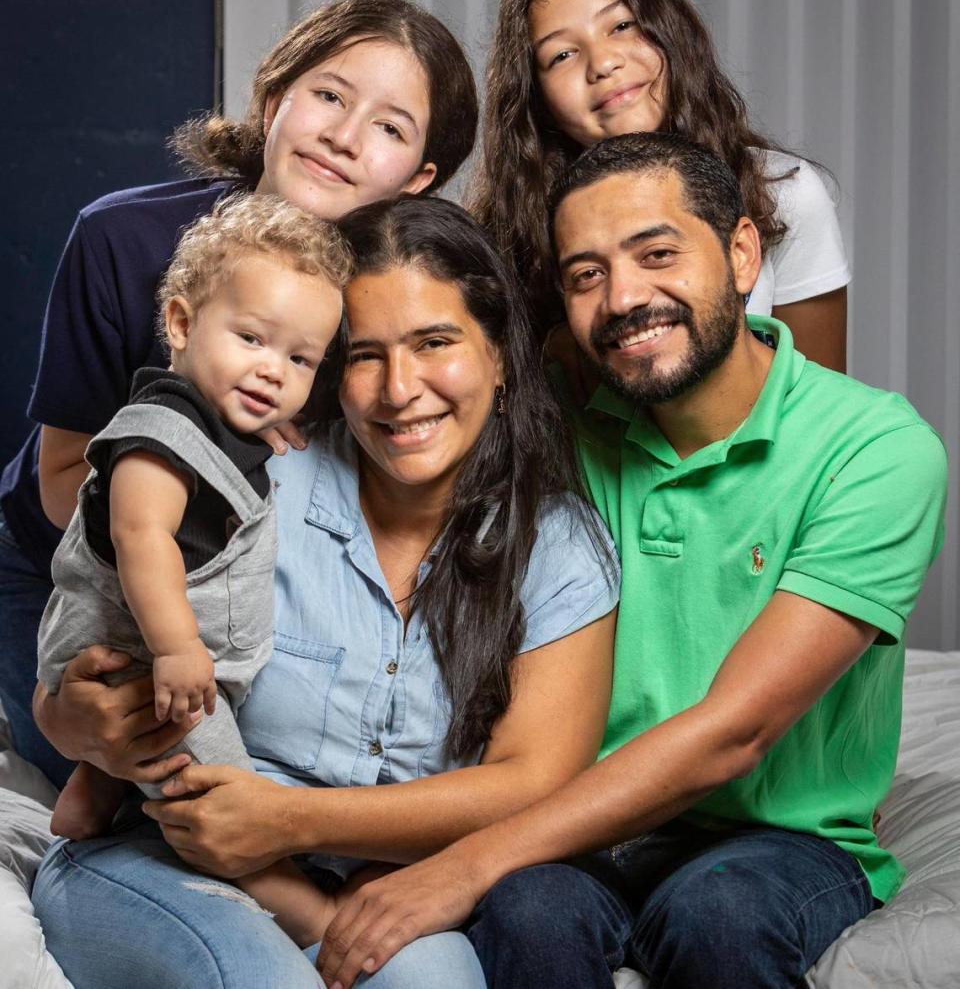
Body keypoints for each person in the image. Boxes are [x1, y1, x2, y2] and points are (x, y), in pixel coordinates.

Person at [313, 134, 947, 989]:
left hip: (778, 841)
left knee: (718, 913)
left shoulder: (874, 447)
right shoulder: (554, 437)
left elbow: (737, 733)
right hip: (575, 828)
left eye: (657, 254)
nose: (625, 298)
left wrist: (463, 863)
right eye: (585, 275)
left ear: (743, 251)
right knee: (528, 914)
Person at [30, 195, 619, 989]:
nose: (399, 388)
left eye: (435, 342)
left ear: (501, 359)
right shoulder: (248, 482)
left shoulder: (558, 544)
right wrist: (80, 723)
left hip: (365, 885)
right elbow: (83, 651)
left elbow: (534, 782)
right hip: (157, 853)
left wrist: (287, 822)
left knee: (439, 982)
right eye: (366, 354)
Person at [0, 0, 478, 789]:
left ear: (420, 178)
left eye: (390, 127)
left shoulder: (393, 300)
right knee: (131, 765)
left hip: (229, 578)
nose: (343, 137)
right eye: (328, 95)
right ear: (273, 98)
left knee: (252, 773)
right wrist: (203, 456)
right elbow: (59, 487)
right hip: (69, 567)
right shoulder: (124, 240)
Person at [37, 193, 355, 949]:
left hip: (155, 655)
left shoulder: (225, 428)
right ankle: (294, 900)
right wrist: (180, 649)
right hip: (140, 656)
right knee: (208, 779)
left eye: (300, 359)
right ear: (181, 325)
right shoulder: (160, 436)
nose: (272, 371)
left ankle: (89, 797)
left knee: (139, 755)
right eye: (251, 338)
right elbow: (142, 536)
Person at [470, 0, 850, 369]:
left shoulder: (783, 195)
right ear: (537, 97)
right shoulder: (507, 236)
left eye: (622, 25)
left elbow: (820, 406)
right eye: (562, 55)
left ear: (670, 31)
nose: (604, 63)